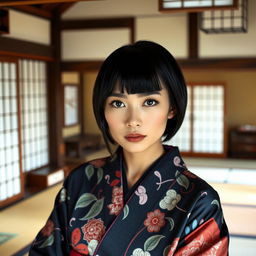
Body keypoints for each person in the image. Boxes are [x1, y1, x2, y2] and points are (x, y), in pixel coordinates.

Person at [29, 41, 229, 256]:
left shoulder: (200, 200)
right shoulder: (81, 179)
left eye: (150, 102)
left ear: (172, 107)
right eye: (118, 103)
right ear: (103, 109)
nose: (133, 120)